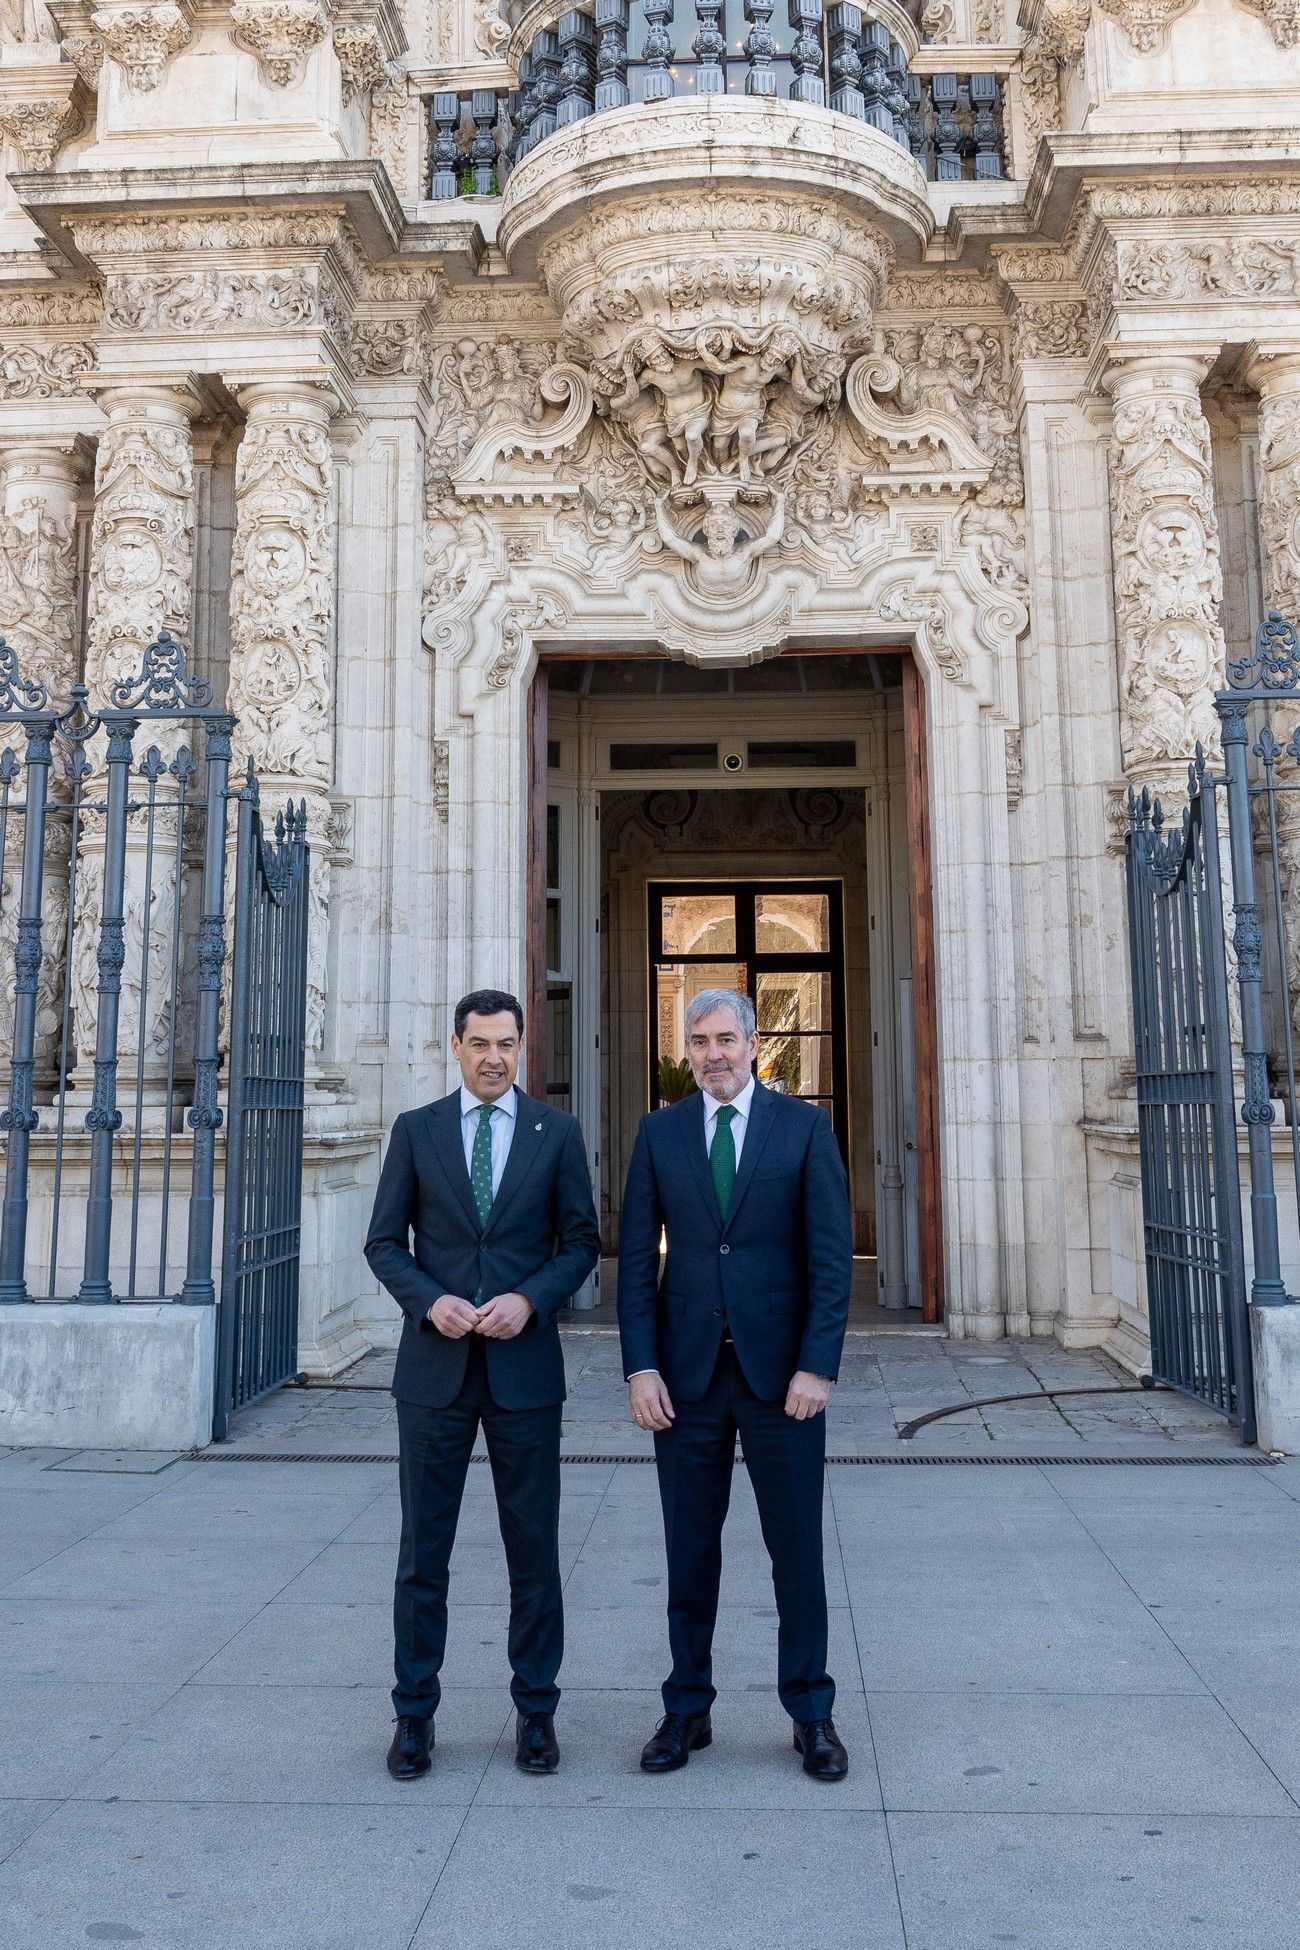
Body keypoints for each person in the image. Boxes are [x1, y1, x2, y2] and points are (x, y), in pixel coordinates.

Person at [617, 987, 853, 1782]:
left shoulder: (804, 1128)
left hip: (783, 1380)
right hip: (684, 1382)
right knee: (690, 1551)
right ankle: (687, 1709)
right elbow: (635, 1269)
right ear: (686, 1049)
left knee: (797, 1554)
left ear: (755, 1044)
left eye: (725, 1038)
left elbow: (831, 1258)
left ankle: (811, 1714)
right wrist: (641, 1367)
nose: (712, 1053)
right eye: (698, 1040)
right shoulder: (659, 1134)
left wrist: (817, 1365)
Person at [364, 988, 599, 1781]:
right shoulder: (417, 1132)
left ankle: (536, 1713)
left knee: (532, 1554)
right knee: (422, 1555)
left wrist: (530, 1298)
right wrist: (431, 1302)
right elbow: (383, 1243)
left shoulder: (557, 1133)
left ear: (522, 1046)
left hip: (524, 1376)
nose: (494, 1057)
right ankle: (413, 1716)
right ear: (455, 1047)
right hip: (433, 1377)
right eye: (480, 1044)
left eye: (507, 1043)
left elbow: (580, 1243)